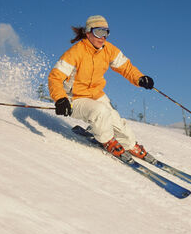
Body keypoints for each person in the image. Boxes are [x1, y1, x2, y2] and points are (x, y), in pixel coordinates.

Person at [48, 15, 154, 160]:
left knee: (117, 122)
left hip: (96, 94)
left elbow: (126, 67)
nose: (103, 37)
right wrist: (60, 99)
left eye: (106, 32)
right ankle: (106, 140)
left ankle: (129, 144)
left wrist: (140, 78)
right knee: (100, 112)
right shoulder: (75, 52)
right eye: (99, 32)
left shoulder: (108, 50)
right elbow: (55, 77)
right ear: (88, 32)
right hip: (73, 98)